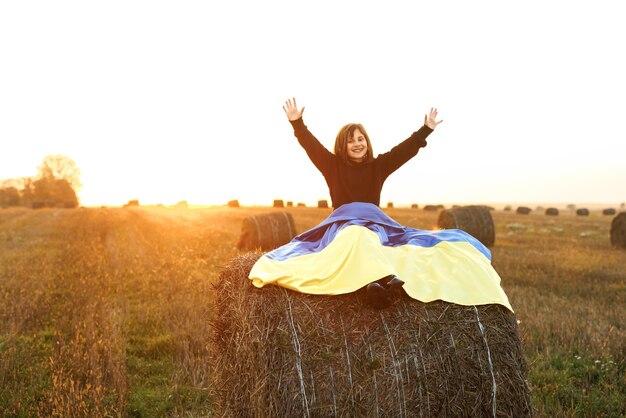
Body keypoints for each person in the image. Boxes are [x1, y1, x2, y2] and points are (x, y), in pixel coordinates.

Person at [248, 98, 513, 312]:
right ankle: (377, 283)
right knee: (355, 236)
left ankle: (382, 282)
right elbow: (311, 147)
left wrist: (426, 130)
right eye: (351, 140)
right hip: (343, 224)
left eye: (360, 139)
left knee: (374, 238)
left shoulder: (378, 167)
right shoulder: (332, 166)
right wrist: (298, 123)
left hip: (376, 224)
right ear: (343, 145)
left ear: (367, 142)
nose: (357, 144)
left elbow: (404, 151)